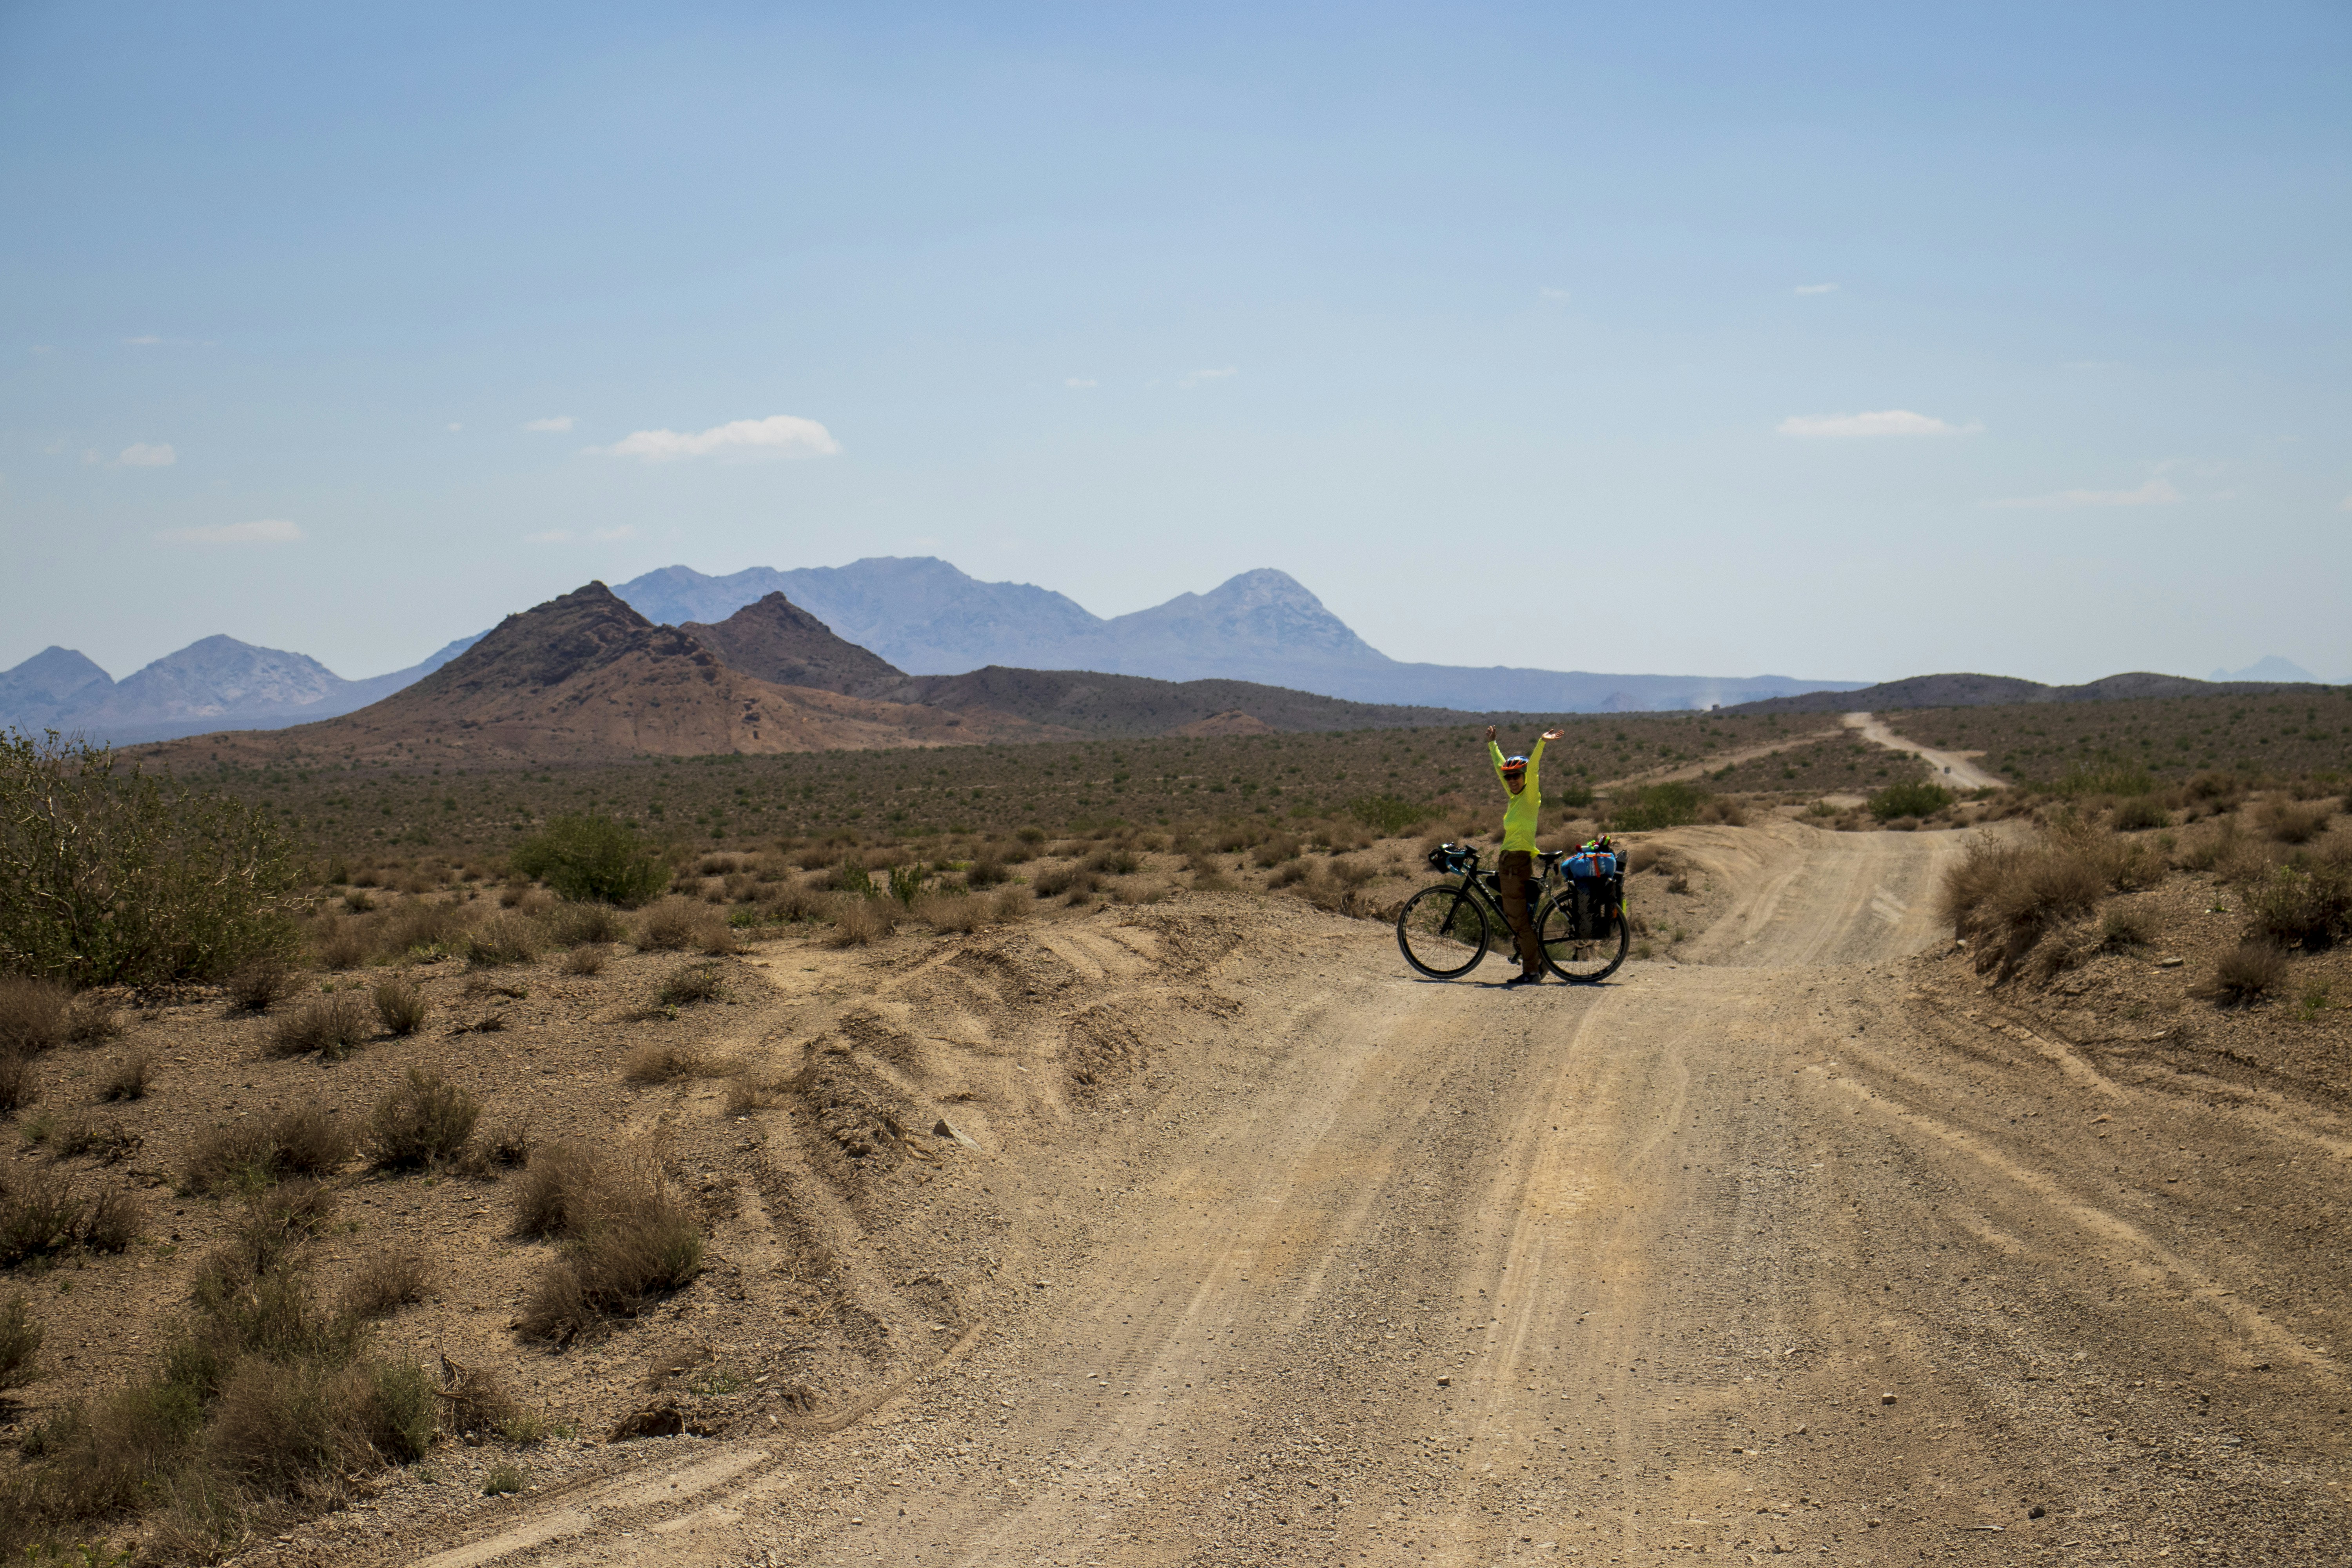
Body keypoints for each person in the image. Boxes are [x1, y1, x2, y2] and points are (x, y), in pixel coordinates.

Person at [1488, 724, 1565, 986]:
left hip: (1515, 863)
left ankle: (1531, 971)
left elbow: (1533, 769)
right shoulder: (1514, 797)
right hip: (1509, 862)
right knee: (1520, 919)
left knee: (1519, 923)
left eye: (1516, 776)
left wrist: (1541, 743)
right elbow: (1501, 769)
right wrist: (1492, 745)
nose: (1512, 781)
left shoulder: (1530, 797)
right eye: (1509, 778)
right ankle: (1537, 966)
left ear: (1524, 777)